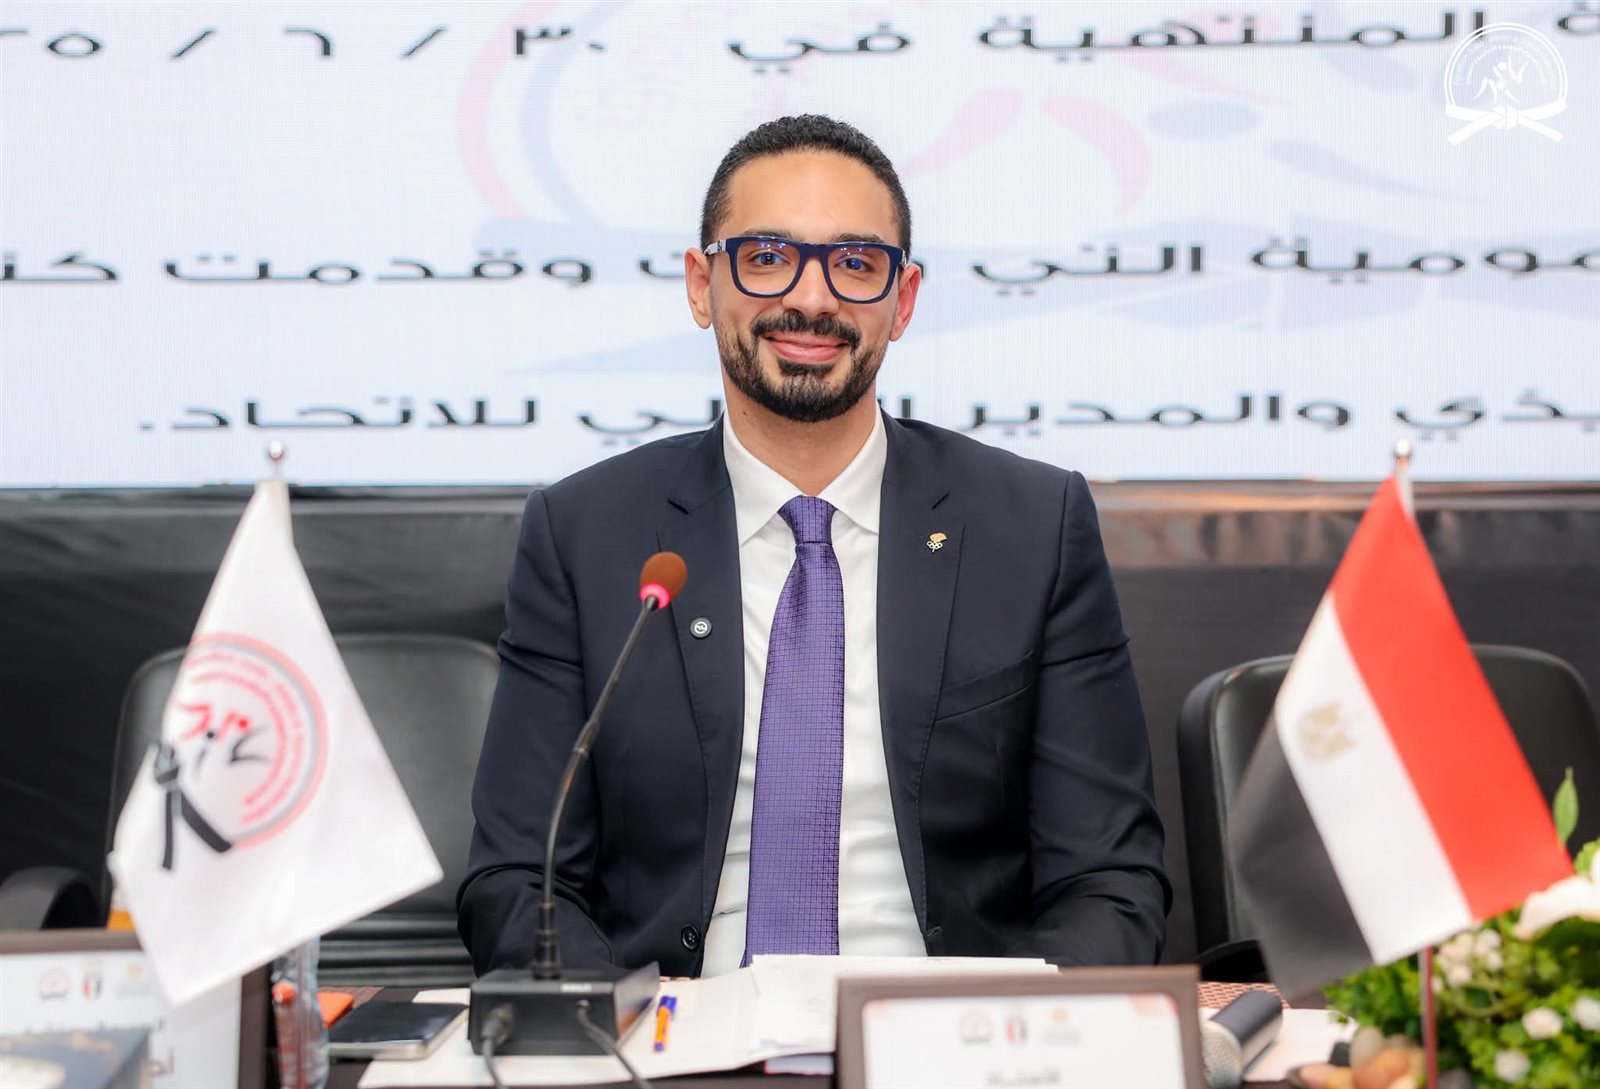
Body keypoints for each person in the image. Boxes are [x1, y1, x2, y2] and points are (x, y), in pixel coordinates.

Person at [458, 115, 1169, 978]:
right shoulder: (585, 534)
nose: (814, 298)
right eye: (767, 257)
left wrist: (1001, 1028)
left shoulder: (1031, 525)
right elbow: (519, 881)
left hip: (947, 1025)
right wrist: (633, 1027)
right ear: (701, 285)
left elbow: (1108, 880)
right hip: (679, 1025)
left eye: (856, 264)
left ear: (903, 300)